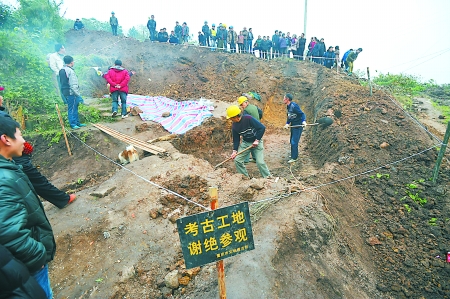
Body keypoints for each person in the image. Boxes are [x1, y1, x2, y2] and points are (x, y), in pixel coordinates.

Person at [0, 115, 57, 299]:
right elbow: (9, 233)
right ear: (6, 139)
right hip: (27, 266)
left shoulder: (8, 167)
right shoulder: (4, 181)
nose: (23, 140)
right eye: (20, 134)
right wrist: (38, 256)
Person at [0, 94, 76, 208]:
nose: (1, 97)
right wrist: (23, 147)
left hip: (9, 155)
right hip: (14, 156)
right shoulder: (2, 118)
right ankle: (62, 199)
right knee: (36, 180)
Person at [226, 105, 271, 178]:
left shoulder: (248, 118)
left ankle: (268, 177)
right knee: (237, 160)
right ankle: (245, 178)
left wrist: (257, 140)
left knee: (260, 162)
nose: (230, 119)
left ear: (235, 116)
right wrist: (234, 151)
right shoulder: (234, 126)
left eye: (231, 118)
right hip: (246, 143)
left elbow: (262, 128)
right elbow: (236, 139)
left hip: (257, 142)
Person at [59, 56, 86, 129]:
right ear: (71, 62)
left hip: (65, 92)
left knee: (74, 107)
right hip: (71, 92)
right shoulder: (70, 71)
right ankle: (73, 124)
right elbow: (73, 84)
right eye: (73, 61)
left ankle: (77, 122)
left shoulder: (62, 70)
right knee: (72, 108)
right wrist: (78, 94)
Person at [282, 93, 306, 163]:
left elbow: (302, 114)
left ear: (287, 99)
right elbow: (290, 116)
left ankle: (294, 158)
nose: (283, 100)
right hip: (293, 125)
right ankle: (293, 155)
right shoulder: (288, 106)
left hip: (298, 126)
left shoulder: (294, 106)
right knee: (291, 140)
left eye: (284, 98)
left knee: (294, 142)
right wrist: (287, 123)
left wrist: (304, 121)